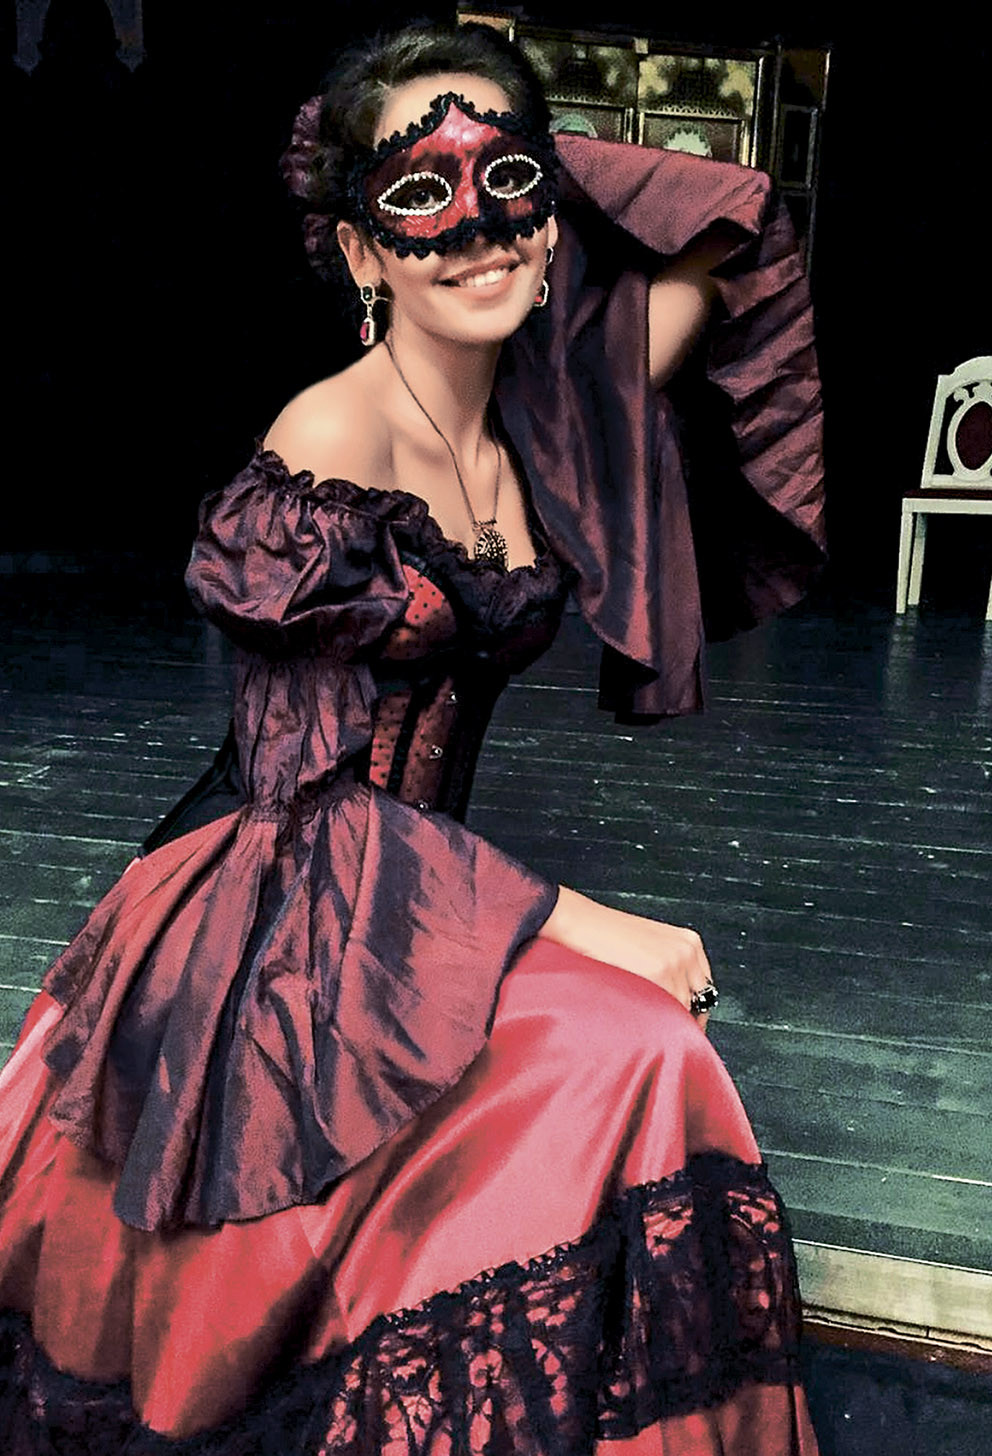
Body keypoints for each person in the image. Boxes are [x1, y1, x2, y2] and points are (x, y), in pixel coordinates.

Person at [0, 21, 825, 1455]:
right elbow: (305, 803)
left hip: (401, 889)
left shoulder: (552, 410)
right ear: (359, 251)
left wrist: (536, 177)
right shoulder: (330, 443)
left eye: (511, 182)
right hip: (267, 903)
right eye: (420, 195)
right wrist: (595, 926)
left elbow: (735, 221)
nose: (478, 229)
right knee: (637, 1040)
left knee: (640, 1059)